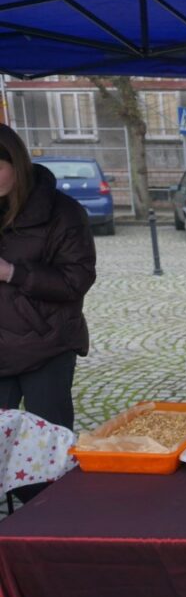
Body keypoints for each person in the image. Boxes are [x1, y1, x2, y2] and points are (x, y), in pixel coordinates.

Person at [0, 124, 97, 499]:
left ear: (17, 164)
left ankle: (50, 528)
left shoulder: (62, 212)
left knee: (45, 454)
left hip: (48, 346)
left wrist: (12, 273)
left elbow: (76, 280)